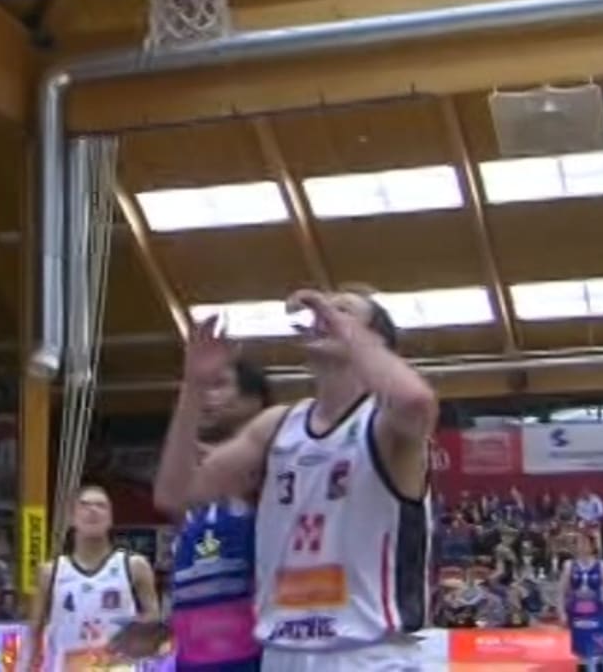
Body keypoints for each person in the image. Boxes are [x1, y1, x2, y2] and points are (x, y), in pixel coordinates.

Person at [186, 288, 438, 671]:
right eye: (323, 312)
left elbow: (415, 401)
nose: (324, 315)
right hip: (284, 649)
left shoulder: (386, 423)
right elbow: (190, 484)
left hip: (369, 651)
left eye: (343, 311)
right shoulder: (280, 426)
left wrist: (333, 318)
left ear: (374, 340)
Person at [152, 318, 273, 672]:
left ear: (254, 401)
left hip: (257, 658)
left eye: (218, 385)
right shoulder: (193, 487)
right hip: (193, 660)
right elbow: (169, 498)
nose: (207, 394)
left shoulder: (270, 466)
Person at [28, 485, 159, 671]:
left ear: (111, 518)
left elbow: (154, 617)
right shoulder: (50, 572)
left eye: (100, 505)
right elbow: (35, 628)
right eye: (85, 505)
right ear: (71, 518)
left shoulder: (134, 566)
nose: (92, 510)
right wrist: (30, 663)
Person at [558, 529, 603, 672]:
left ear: (592, 546)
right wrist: (561, 612)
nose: (581, 546)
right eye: (578, 543)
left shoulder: (601, 565)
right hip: (577, 610)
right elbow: (561, 591)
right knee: (581, 650)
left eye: (585, 543)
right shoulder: (569, 565)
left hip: (597, 609)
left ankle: (600, 668)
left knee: (600, 648)